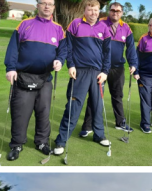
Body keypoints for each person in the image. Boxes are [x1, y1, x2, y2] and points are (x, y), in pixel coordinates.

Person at [4, 0, 67, 161]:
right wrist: (10, 68)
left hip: (45, 78)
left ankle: (41, 142)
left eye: (50, 4)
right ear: (37, 5)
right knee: (20, 113)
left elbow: (63, 50)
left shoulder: (58, 29)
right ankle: (16, 144)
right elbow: (13, 49)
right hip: (23, 76)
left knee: (43, 112)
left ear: (54, 7)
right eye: (43, 3)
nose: (47, 6)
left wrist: (60, 60)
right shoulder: (25, 25)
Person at [53, 0, 112, 156]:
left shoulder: (104, 28)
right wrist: (71, 65)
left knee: (97, 107)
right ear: (84, 10)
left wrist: (105, 71)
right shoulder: (76, 24)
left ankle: (98, 135)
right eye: (90, 9)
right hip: (79, 71)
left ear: (99, 11)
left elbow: (107, 53)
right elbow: (68, 48)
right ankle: (61, 140)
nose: (93, 12)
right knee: (73, 108)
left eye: (96, 10)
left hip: (98, 73)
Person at [78, 2, 138, 138]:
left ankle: (120, 122)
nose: (115, 13)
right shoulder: (100, 23)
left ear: (122, 13)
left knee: (117, 96)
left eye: (118, 11)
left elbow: (131, 49)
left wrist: (133, 63)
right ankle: (87, 126)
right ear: (109, 11)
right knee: (95, 96)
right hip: (100, 68)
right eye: (113, 10)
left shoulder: (126, 28)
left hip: (118, 68)